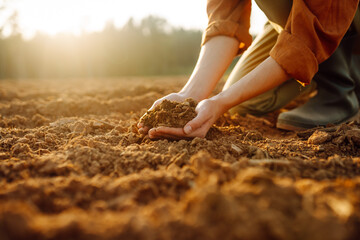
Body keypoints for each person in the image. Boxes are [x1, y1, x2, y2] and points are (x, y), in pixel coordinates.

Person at [138, 0, 360, 139]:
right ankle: (313, 70)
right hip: (297, 18)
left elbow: (309, 36)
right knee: (245, 101)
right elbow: (226, 17)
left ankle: (338, 91)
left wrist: (221, 101)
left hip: (341, 10)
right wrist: (191, 95)